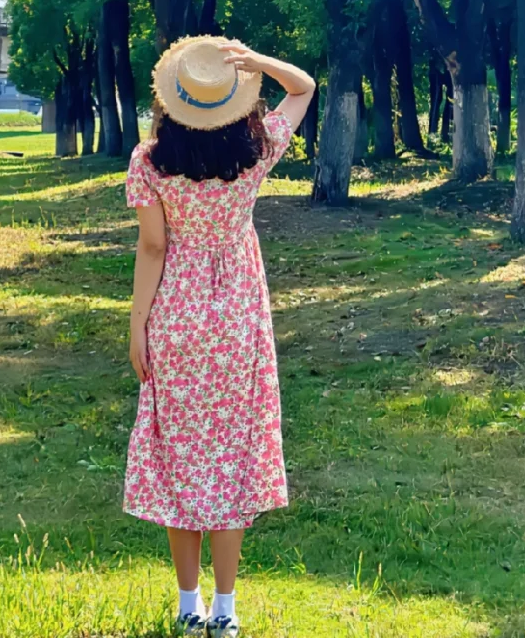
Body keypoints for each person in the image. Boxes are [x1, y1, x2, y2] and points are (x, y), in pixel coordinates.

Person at [123, 35, 316, 634]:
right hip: (236, 316)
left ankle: (188, 606)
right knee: (230, 459)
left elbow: (154, 246)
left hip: (176, 316)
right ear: (235, 100)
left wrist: (136, 324)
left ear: (172, 100)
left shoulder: (149, 161)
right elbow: (304, 87)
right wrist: (257, 64)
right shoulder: (256, 151)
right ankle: (227, 611)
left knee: (180, 458)